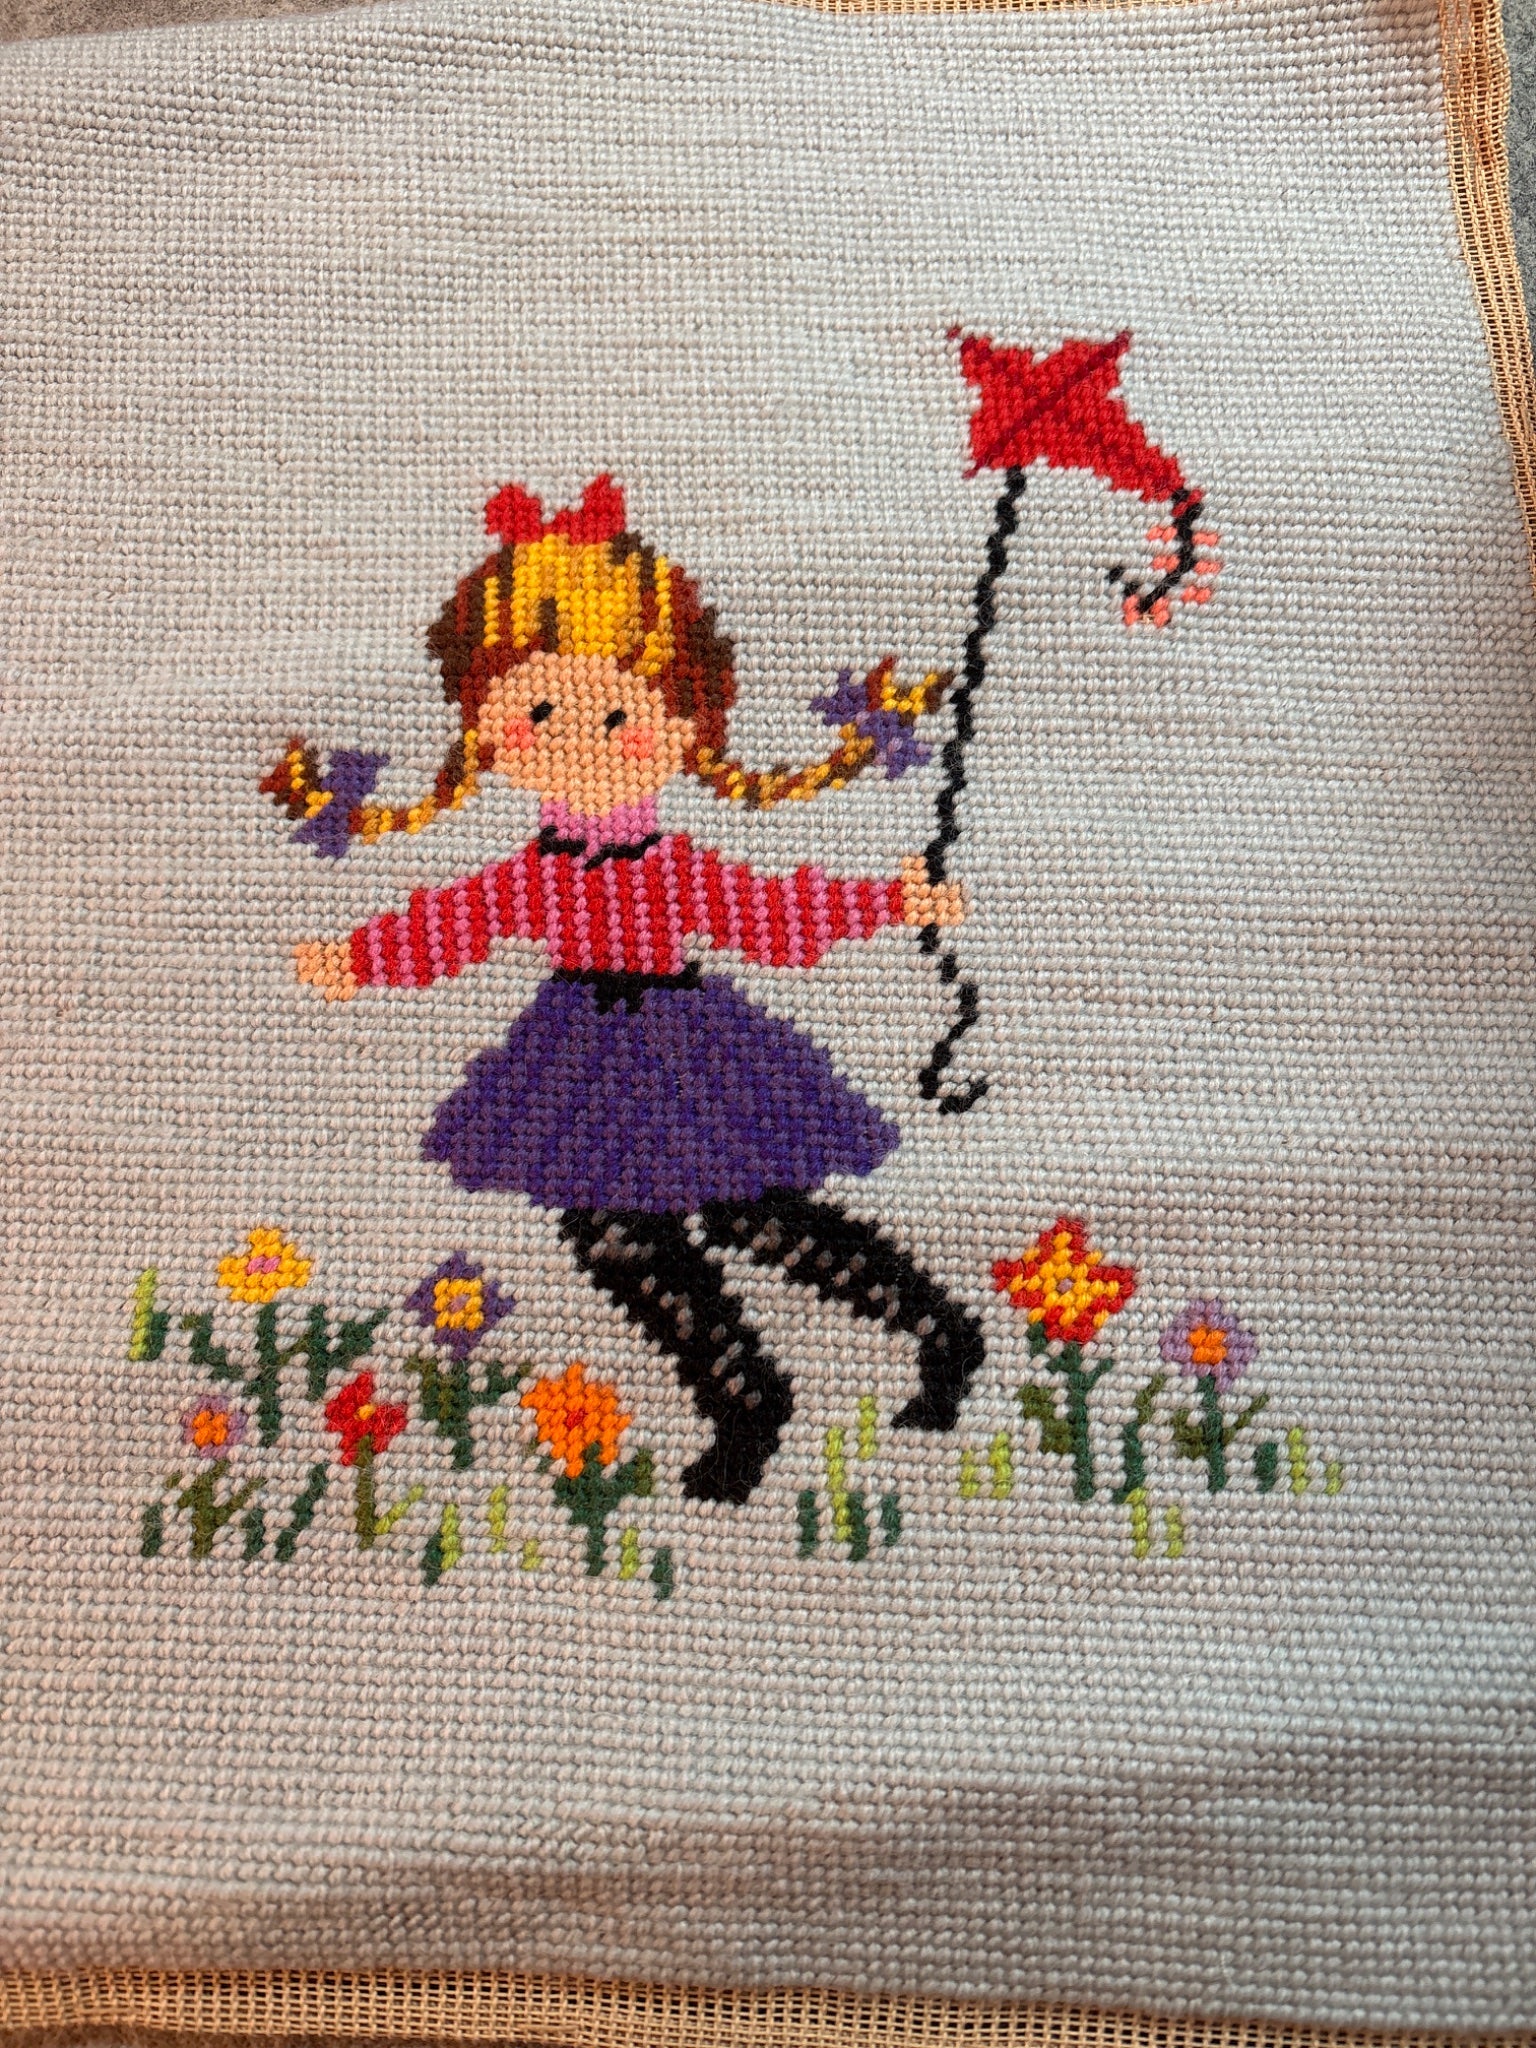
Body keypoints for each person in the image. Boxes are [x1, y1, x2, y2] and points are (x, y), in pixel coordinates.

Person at [277, 474, 986, 1503]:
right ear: (490, 726)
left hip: (688, 1048)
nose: (578, 736)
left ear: (684, 722)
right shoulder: (539, 868)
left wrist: (894, 900)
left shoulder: (673, 867)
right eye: (537, 709)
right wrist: (356, 959)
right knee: (615, 1236)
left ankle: (935, 1330)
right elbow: (454, 922)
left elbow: (774, 914)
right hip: (579, 1060)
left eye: (616, 711)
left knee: (751, 1217)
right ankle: (746, 1395)